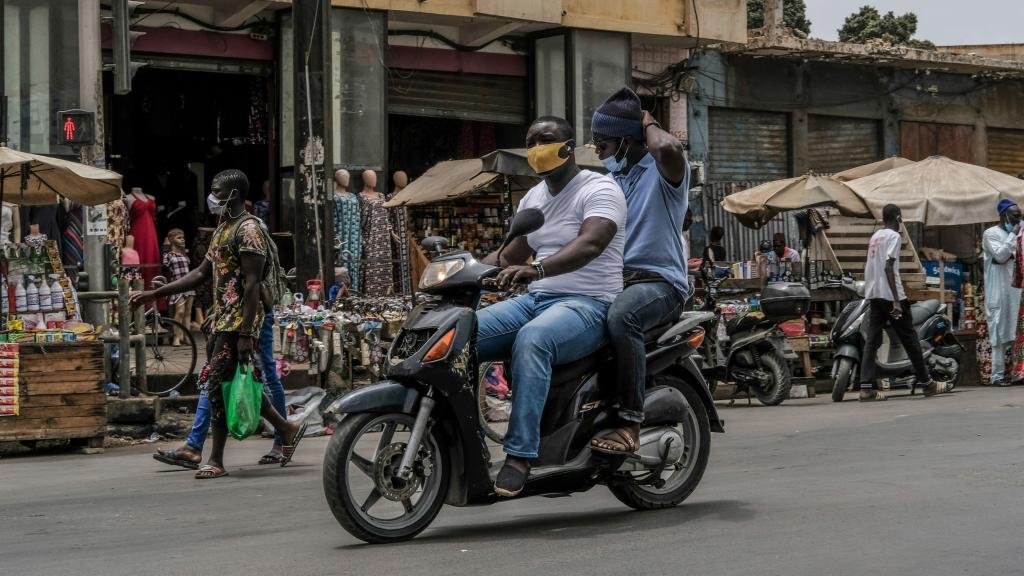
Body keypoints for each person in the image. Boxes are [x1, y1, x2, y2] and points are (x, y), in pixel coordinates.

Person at [477, 115, 626, 496]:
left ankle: (520, 456)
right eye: (530, 142)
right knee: (462, 332)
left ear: (568, 147)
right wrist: (464, 270)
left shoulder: (599, 189)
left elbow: (590, 244)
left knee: (533, 339)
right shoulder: (533, 197)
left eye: (545, 140)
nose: (536, 149)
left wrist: (537, 269)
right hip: (537, 299)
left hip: (588, 304)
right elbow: (509, 254)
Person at [131, 169, 306, 478]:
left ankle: (215, 459)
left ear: (233, 194)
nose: (211, 195)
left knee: (216, 388)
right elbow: (201, 273)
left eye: (216, 190)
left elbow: (252, 285)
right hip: (222, 319)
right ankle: (287, 428)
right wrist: (155, 293)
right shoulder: (224, 229)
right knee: (237, 383)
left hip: (239, 322)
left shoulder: (250, 230)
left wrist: (245, 333)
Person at [585, 87, 689, 455]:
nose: (599, 153)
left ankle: (628, 421)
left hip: (660, 284)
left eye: (604, 145)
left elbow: (667, 149)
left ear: (628, 141)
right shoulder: (611, 183)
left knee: (623, 315)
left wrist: (647, 120)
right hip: (616, 281)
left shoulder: (664, 175)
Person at [859, 204, 942, 402]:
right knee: (910, 338)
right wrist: (896, 300)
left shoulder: (875, 236)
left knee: (872, 340)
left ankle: (865, 388)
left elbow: (872, 266)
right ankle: (927, 383)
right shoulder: (894, 236)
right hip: (890, 295)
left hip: (874, 294)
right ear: (898, 218)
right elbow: (889, 266)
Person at [981, 199, 1022, 386]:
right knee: (998, 334)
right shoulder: (990, 234)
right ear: (1004, 215)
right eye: (1015, 216)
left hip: (1016, 292)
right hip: (998, 292)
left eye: (1019, 216)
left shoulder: (1019, 234)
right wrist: (1013, 235)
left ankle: (1017, 372)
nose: (1018, 219)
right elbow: (1000, 256)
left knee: (1018, 332)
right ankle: (997, 376)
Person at [162, 229, 195, 347]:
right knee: (179, 312)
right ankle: (176, 336)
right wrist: (166, 246)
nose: (182, 240)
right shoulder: (169, 255)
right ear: (171, 240)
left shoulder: (184, 254)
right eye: (179, 238)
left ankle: (186, 336)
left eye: (183, 238)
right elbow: (165, 265)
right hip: (178, 285)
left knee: (188, 312)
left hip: (188, 285)